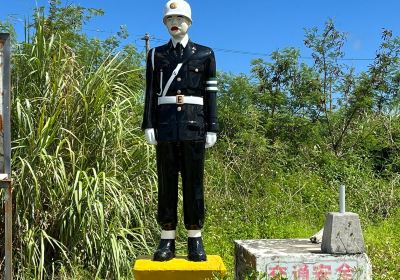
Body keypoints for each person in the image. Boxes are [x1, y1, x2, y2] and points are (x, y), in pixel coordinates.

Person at [142, 0, 218, 262]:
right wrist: (148, 124)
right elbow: (150, 93)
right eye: (170, 20)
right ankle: (167, 239)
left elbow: (211, 94)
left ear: (190, 22)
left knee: (194, 183)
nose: (175, 23)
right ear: (165, 24)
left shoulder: (205, 54)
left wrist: (213, 126)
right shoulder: (156, 55)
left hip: (194, 126)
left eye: (180, 19)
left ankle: (195, 239)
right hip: (165, 127)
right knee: (166, 183)